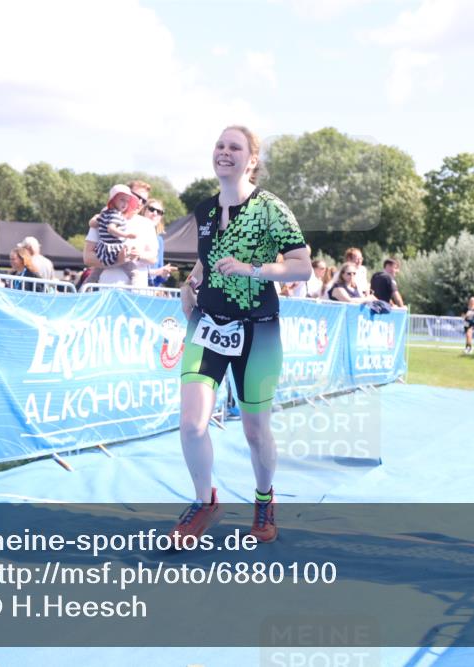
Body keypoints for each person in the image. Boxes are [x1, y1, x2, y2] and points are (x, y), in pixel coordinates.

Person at [175, 125, 311, 544]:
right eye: (219, 145)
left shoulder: (270, 208)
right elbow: (207, 260)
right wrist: (189, 282)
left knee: (255, 430)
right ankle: (205, 502)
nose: (224, 152)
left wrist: (253, 270)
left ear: (251, 159)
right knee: (192, 423)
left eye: (235, 147)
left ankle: (265, 498)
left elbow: (302, 266)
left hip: (258, 330)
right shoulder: (204, 210)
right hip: (208, 324)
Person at [83, 186, 158, 287]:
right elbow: (87, 258)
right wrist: (118, 260)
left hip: (134, 297)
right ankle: (80, 295)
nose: (139, 202)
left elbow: (153, 258)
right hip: (106, 293)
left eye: (144, 201)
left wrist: (138, 255)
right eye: (136, 196)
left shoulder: (147, 225)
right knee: (93, 277)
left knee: (135, 274)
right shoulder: (105, 215)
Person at [94, 184, 140, 282]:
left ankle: (83, 292)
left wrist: (96, 222)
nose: (125, 203)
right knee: (134, 272)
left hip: (103, 250)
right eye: (122, 200)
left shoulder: (105, 213)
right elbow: (111, 229)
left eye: (127, 201)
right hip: (114, 250)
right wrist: (127, 235)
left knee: (95, 273)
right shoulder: (116, 215)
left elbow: (93, 223)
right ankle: (136, 294)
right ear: (113, 200)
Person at [143, 197, 176, 286]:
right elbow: (129, 268)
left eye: (159, 212)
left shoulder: (159, 240)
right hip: (133, 287)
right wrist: (157, 272)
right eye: (151, 209)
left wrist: (164, 273)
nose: (155, 213)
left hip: (151, 291)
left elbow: (159, 277)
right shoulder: (133, 233)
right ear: (143, 211)